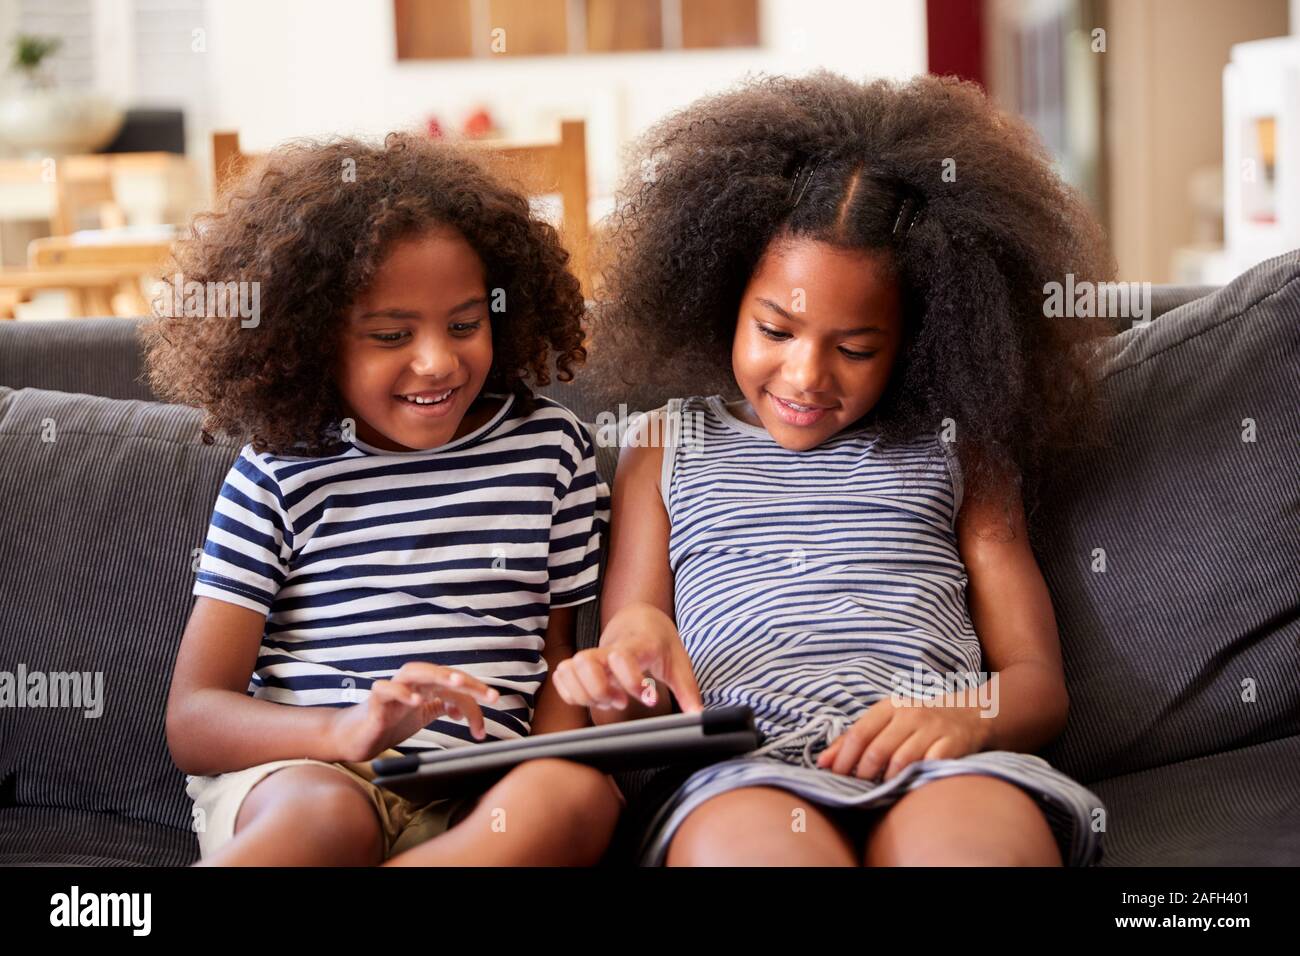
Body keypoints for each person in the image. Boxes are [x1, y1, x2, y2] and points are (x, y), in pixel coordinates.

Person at [556, 72, 1112, 867]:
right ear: (723, 299)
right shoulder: (663, 445)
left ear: (920, 339)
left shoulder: (961, 447)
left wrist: (970, 719)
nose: (808, 376)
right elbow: (630, 690)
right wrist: (624, 662)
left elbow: (1037, 683)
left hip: (944, 764)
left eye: (855, 349)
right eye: (775, 330)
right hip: (741, 776)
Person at [145, 132, 621, 865]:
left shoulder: (552, 451)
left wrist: (545, 768)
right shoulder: (280, 470)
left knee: (575, 796)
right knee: (324, 817)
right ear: (310, 340)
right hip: (309, 772)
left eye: (465, 324)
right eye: (391, 334)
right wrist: (344, 730)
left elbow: (557, 656)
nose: (437, 360)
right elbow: (194, 717)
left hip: (478, 795)